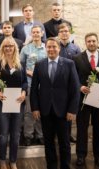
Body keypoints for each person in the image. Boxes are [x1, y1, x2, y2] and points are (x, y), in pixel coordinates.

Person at [30, 37, 80, 169]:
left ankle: (65, 166)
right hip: (45, 110)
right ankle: (51, 166)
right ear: (45, 49)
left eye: (54, 47)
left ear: (59, 48)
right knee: (48, 141)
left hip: (64, 111)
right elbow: (34, 89)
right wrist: (35, 108)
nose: (51, 49)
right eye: (49, 47)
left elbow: (75, 89)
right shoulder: (39, 64)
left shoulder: (69, 64)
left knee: (64, 142)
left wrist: (72, 110)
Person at [73, 33, 99, 168]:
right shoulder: (76, 58)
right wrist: (80, 87)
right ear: (85, 43)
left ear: (97, 42)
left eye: (93, 41)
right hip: (82, 99)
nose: (91, 43)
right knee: (82, 128)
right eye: (89, 41)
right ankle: (80, 156)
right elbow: (73, 78)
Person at [0, 37, 27, 169]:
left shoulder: (21, 62)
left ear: (15, 47)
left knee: (16, 134)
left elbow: (24, 82)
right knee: (3, 133)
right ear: (2, 48)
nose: (8, 48)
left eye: (11, 46)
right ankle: (2, 162)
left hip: (18, 101)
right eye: (6, 46)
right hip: (2, 101)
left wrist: (24, 93)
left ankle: (13, 161)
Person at [20, 25, 47, 146]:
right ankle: (28, 135)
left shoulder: (47, 48)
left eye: (38, 32)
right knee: (28, 111)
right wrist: (30, 72)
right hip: (30, 84)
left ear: (42, 34)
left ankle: (40, 135)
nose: (35, 34)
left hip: (44, 85)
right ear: (31, 34)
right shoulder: (25, 49)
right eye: (33, 32)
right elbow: (19, 66)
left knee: (42, 110)